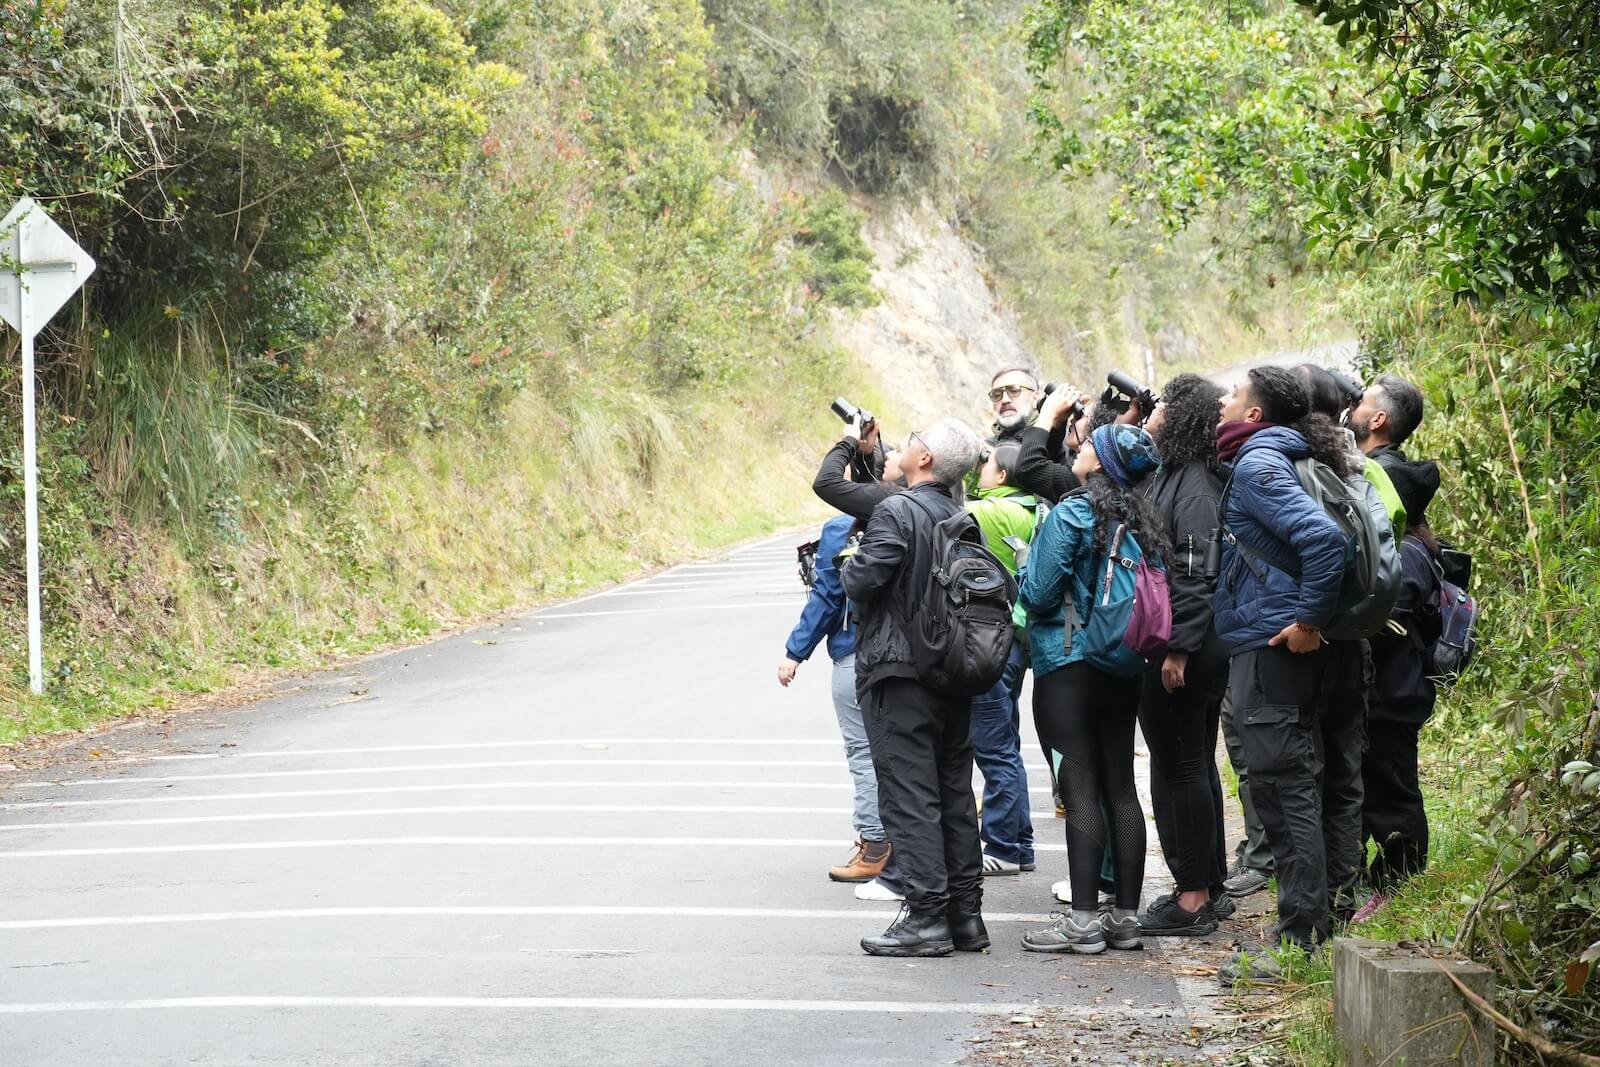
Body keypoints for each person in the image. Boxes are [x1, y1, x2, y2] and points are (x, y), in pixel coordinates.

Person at [1211, 366, 1354, 986]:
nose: (1223, 400)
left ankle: (1299, 942)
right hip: (1272, 642)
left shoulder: (1259, 464)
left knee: (1282, 790)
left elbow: (1325, 541)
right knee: (1293, 786)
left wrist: (1307, 621)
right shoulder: (1280, 455)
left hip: (1275, 649)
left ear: (1257, 414)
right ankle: (1307, 930)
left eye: (1235, 395)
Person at [841, 418, 989, 958]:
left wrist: (848, 563)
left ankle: (926, 916)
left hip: (899, 670)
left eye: (910, 442)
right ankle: (965, 916)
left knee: (909, 795)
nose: (901, 448)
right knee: (953, 794)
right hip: (953, 669)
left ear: (924, 460)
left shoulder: (896, 510)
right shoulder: (961, 515)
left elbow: (861, 581)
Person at [1017, 423, 1166, 955]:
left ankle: (1081, 923)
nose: (1078, 450)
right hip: (1125, 665)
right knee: (1120, 787)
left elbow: (1038, 594)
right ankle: (1125, 919)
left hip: (1068, 662)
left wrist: (1021, 564)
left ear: (1101, 464)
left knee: (1079, 789)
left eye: (1087, 448)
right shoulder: (1145, 521)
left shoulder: (1073, 514)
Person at [1135, 375, 1233, 936]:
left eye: (1166, 404)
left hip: (1188, 643)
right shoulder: (1173, 474)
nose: (1156, 410)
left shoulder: (1194, 485)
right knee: (1190, 761)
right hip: (1187, 640)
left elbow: (1195, 572)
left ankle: (1193, 896)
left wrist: (1179, 649)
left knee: (1182, 764)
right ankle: (1205, 885)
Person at [777, 514, 900, 900]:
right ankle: (907, 843)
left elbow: (828, 595)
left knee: (863, 751)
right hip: (912, 653)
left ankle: (875, 845)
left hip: (856, 651)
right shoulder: (921, 511)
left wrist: (795, 651)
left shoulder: (844, 527)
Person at [1293, 363, 1377, 922]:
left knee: (1307, 774)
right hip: (1356, 636)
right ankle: (1344, 896)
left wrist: (1306, 620)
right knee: (1345, 775)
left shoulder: (1291, 468)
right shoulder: (1358, 465)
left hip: (1309, 638)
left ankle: (1314, 905)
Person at [1363, 456, 1442, 896]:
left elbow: (1386, 614)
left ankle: (1401, 884)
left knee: (1395, 796)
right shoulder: (1413, 549)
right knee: (1383, 789)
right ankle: (1385, 881)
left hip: (1395, 695)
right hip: (1395, 691)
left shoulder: (1409, 555)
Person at [965, 442, 1039, 877]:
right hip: (1020, 635)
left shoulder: (995, 512)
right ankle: (1021, 842)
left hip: (996, 637)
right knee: (1006, 744)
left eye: (987, 466)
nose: (980, 473)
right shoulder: (1032, 508)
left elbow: (933, 508)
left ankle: (1003, 846)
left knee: (994, 748)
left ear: (1004, 477)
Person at [1348, 374, 1427, 478]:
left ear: (1377, 420)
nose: (1352, 407)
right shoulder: (1394, 472)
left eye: (1361, 402)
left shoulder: (1369, 478)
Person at [988, 367, 1043, 443]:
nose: (1004, 400)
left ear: (1036, 397)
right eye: (996, 395)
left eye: (1014, 391)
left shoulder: (1057, 443)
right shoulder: (984, 448)